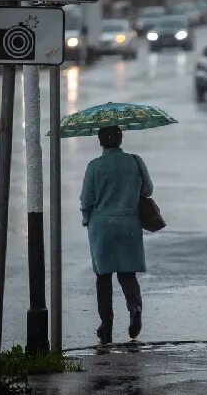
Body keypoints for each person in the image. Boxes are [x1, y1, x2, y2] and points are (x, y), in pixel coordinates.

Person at [80, 126, 153, 345]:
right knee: (127, 274)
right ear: (121, 139)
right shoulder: (135, 161)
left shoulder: (94, 166)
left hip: (102, 226)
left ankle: (106, 324)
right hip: (129, 223)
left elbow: (86, 199)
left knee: (103, 277)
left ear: (100, 141)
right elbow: (148, 190)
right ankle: (135, 307)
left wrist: (87, 219)